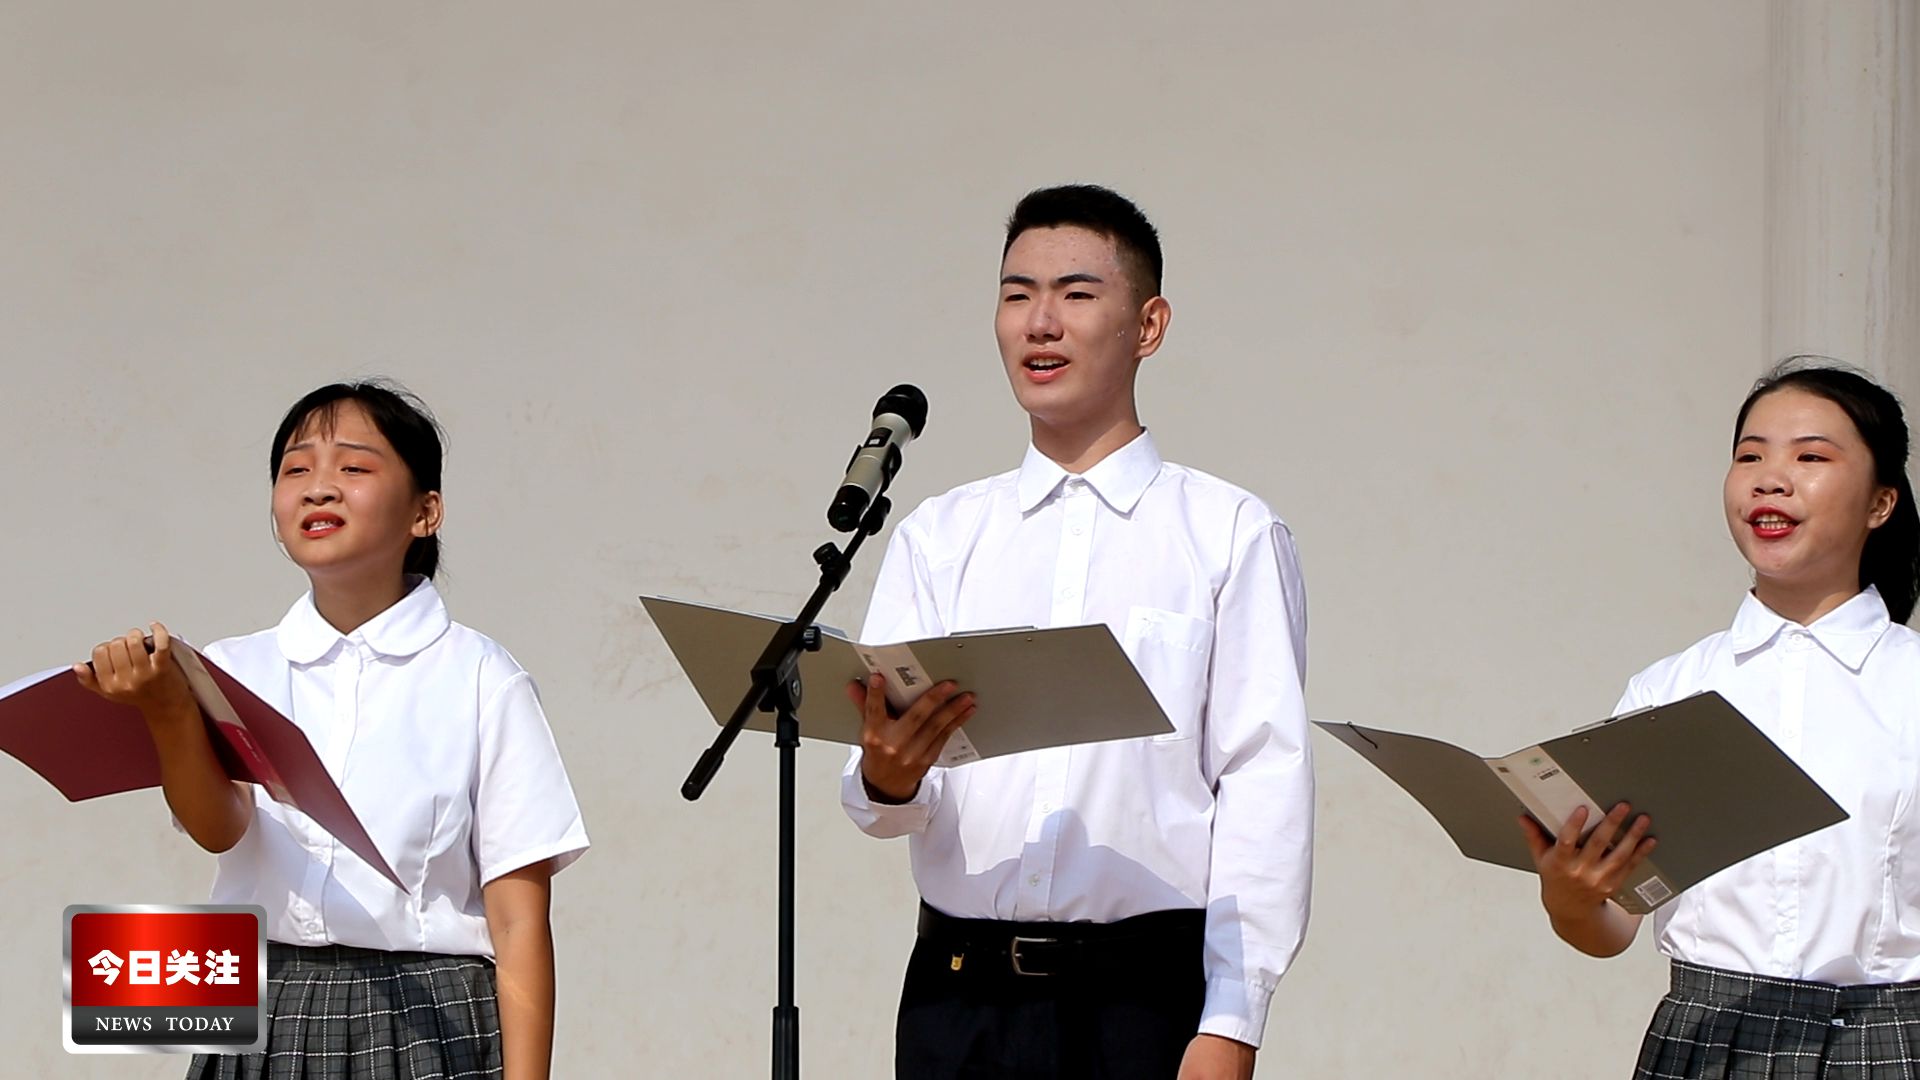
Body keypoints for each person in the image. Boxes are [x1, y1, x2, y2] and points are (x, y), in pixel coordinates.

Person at [841, 184, 1312, 1080]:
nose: (1040, 322)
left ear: (1149, 325)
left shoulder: (1227, 533)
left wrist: (1234, 1019)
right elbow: (883, 795)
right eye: (1017, 295)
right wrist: (888, 778)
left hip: (1144, 1004)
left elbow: (1265, 784)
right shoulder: (940, 537)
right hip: (956, 1001)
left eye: (1076, 294)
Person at [77, 381, 589, 1080]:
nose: (318, 488)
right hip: (264, 1007)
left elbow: (519, 922)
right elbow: (219, 828)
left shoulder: (481, 679)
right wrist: (168, 711)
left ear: (424, 511)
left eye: (353, 467)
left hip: (425, 1015)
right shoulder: (231, 668)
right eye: (295, 470)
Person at [1523, 359, 1920, 1078]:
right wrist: (1568, 896)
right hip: (1706, 1042)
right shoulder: (1666, 692)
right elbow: (1615, 925)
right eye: (1749, 455)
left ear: (1881, 502)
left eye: (1811, 456)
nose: (1771, 476)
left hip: (1889, 1044)